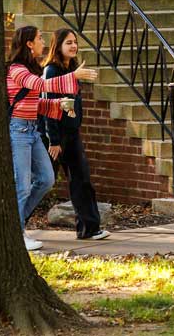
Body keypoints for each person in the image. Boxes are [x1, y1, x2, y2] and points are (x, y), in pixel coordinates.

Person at [6, 25, 97, 251]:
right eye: (39, 38)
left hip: (32, 131)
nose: (42, 42)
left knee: (46, 179)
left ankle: (12, 223)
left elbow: (35, 103)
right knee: (23, 186)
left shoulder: (31, 68)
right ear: (29, 43)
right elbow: (41, 85)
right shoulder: (17, 69)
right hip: (18, 132)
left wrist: (57, 104)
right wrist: (73, 76)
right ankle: (17, 233)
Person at [43, 27, 108, 241]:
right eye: (68, 42)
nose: (73, 46)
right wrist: (54, 140)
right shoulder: (52, 71)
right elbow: (49, 107)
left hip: (71, 133)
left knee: (82, 179)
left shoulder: (71, 67)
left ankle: (89, 228)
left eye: (75, 42)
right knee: (40, 182)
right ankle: (19, 225)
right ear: (58, 46)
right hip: (55, 136)